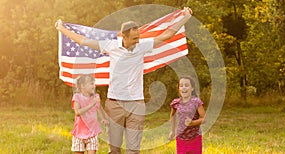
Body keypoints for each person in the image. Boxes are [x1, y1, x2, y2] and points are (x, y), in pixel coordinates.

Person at [55, 7, 193, 154]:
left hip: (136, 104)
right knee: (114, 150)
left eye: (138, 38)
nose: (137, 41)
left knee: (133, 150)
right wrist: (62, 29)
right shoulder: (111, 46)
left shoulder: (142, 46)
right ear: (124, 37)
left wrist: (186, 16)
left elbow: (168, 34)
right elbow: (83, 41)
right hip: (115, 105)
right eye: (134, 38)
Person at [71, 74, 109, 154]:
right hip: (79, 132)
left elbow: (98, 108)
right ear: (83, 86)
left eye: (94, 83)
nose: (94, 86)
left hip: (92, 132)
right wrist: (92, 104)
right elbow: (78, 112)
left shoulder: (95, 97)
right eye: (91, 84)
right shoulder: (77, 97)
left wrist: (103, 119)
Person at [168, 76, 206, 154]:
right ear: (179, 89)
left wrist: (192, 123)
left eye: (186, 85)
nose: (184, 87)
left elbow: (203, 119)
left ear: (192, 88)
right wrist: (172, 131)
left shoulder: (196, 102)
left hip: (195, 138)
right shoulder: (175, 103)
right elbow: (172, 115)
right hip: (181, 137)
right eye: (181, 86)